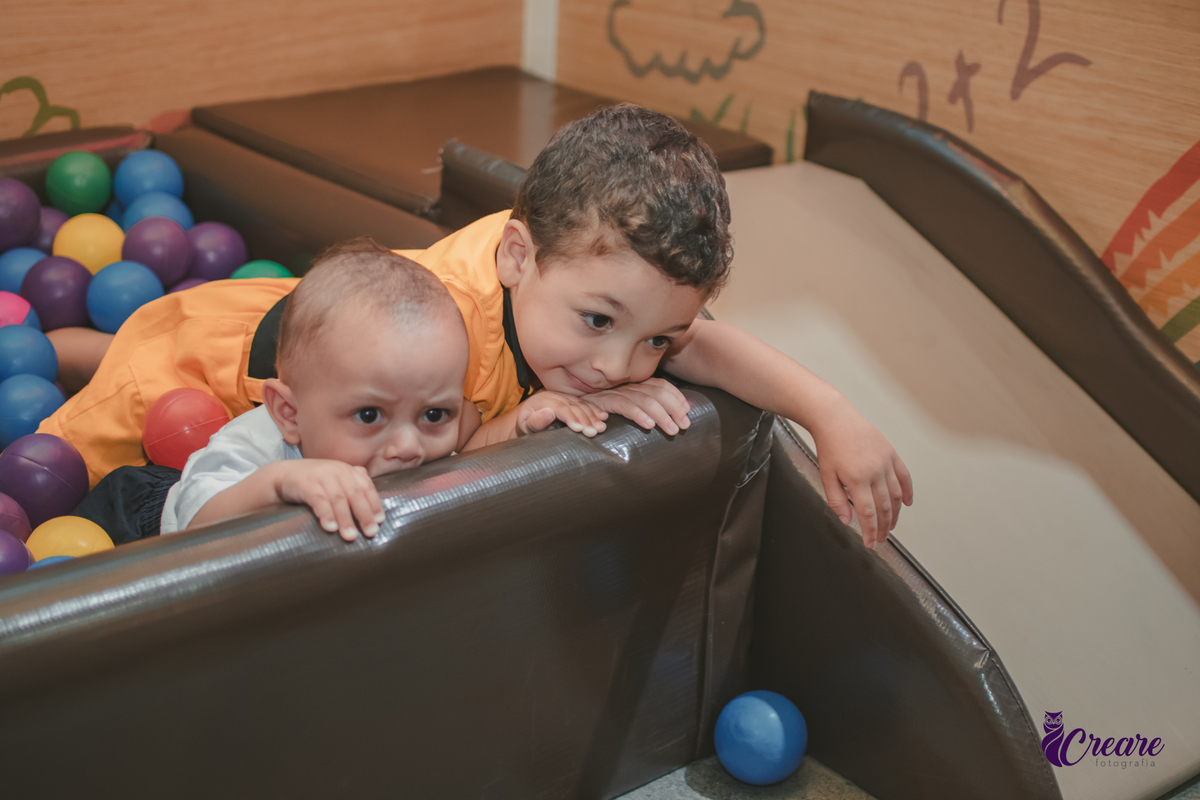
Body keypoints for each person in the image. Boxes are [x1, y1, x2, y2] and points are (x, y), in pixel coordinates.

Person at [45, 104, 911, 549]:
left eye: (654, 341)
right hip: (192, 367)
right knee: (50, 478)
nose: (618, 365)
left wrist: (830, 413)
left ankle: (82, 344)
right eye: (600, 321)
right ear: (514, 258)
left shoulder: (568, 278)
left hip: (268, 328)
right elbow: (429, 458)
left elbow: (704, 342)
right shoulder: (440, 339)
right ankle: (79, 353)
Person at [72, 239, 468, 543]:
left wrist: (521, 423)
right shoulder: (254, 447)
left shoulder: (415, 455)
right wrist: (277, 482)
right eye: (369, 415)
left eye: (435, 415)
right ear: (289, 415)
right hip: (144, 518)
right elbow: (197, 531)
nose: (407, 446)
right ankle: (69, 347)